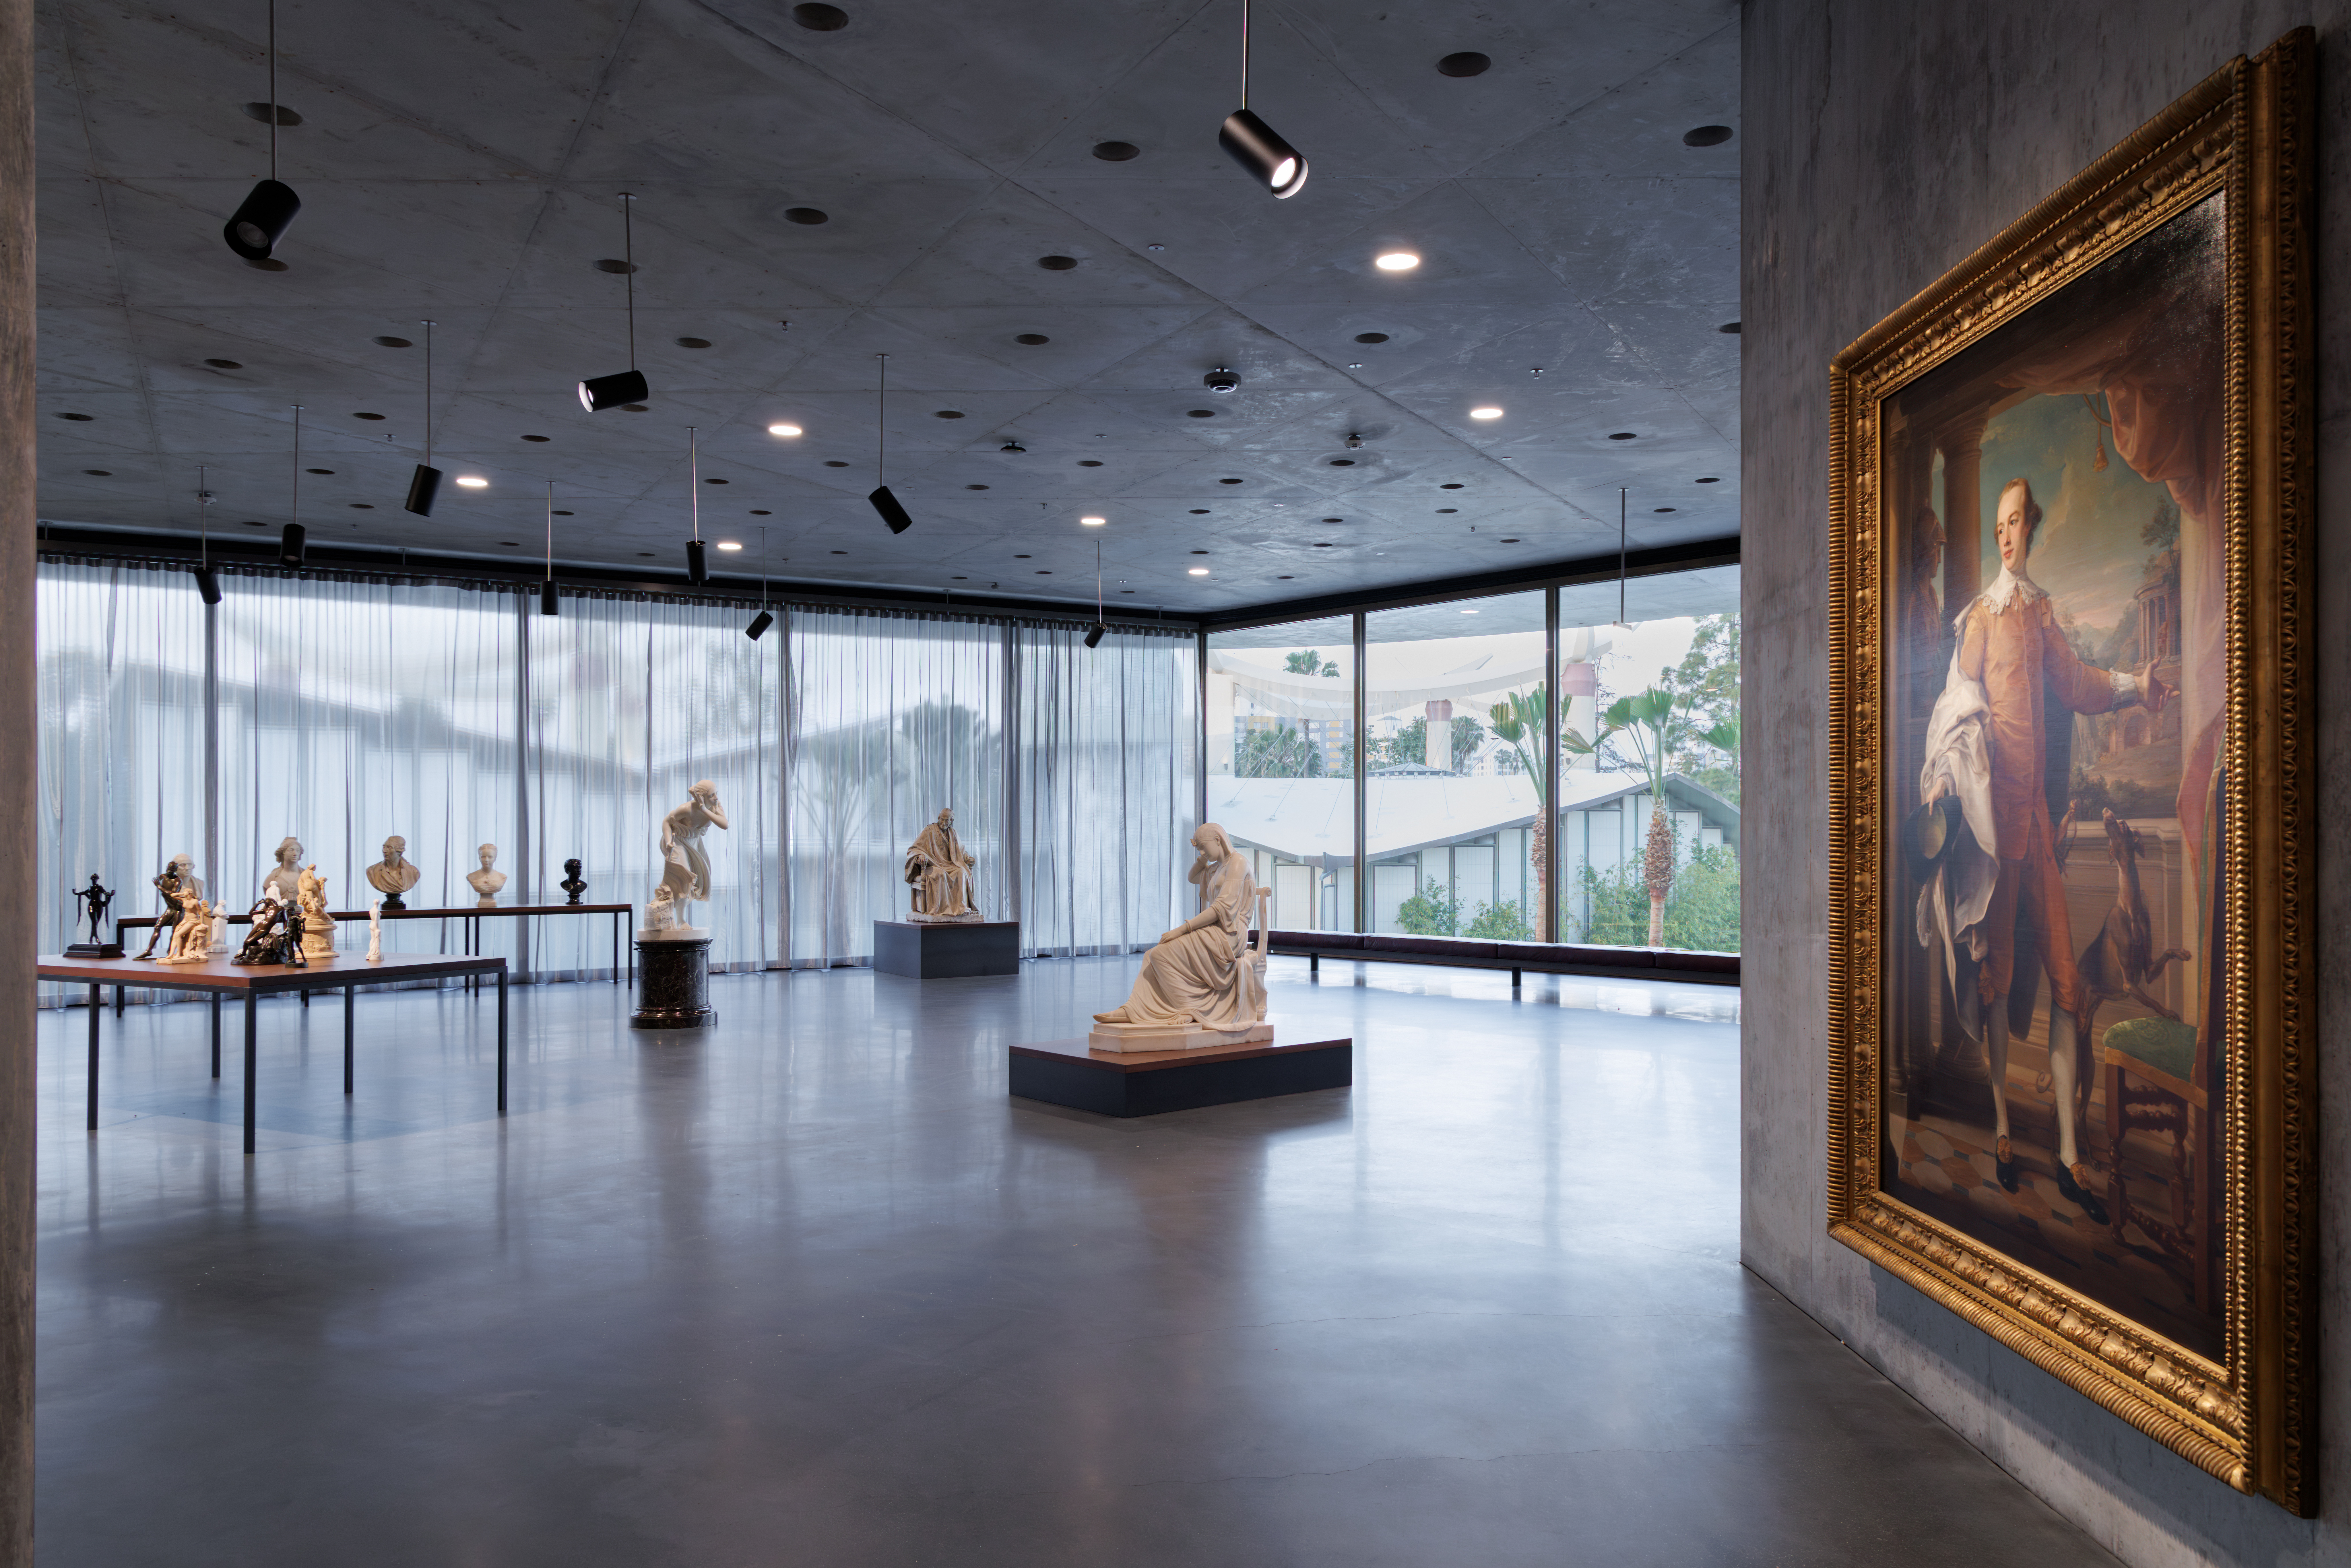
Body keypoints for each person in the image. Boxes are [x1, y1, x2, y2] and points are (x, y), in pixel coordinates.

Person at [1918, 477, 2171, 1224]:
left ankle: (2067, 1150)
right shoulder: (1980, 620)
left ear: (2033, 528)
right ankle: (2001, 1128)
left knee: (2066, 979)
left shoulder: (2040, 616)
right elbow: (1951, 709)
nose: (2005, 533)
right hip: (1995, 832)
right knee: (1996, 974)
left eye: (2017, 520)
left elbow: (2083, 684)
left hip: (2037, 825)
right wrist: (1938, 777)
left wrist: (2136, 683)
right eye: (1998, 522)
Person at [1093, 823, 1265, 1032]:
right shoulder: (1217, 867)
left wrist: (1183, 929)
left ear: (1218, 840)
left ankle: (1189, 1009)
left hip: (1230, 935)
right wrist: (1204, 857)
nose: (1201, 852)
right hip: (1215, 930)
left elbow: (1222, 907)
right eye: (1199, 849)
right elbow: (1192, 877)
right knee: (1151, 955)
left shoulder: (1238, 863)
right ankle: (1134, 1008)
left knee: (1160, 955)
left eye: (1204, 847)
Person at [904, 808, 979, 919]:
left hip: (950, 865)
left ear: (951, 822)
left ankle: (962, 907)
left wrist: (967, 858)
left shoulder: (953, 833)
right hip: (932, 865)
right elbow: (914, 849)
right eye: (942, 820)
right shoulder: (929, 830)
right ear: (939, 819)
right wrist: (921, 855)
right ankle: (941, 910)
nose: (943, 823)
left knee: (962, 872)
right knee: (940, 875)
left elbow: (961, 851)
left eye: (947, 821)